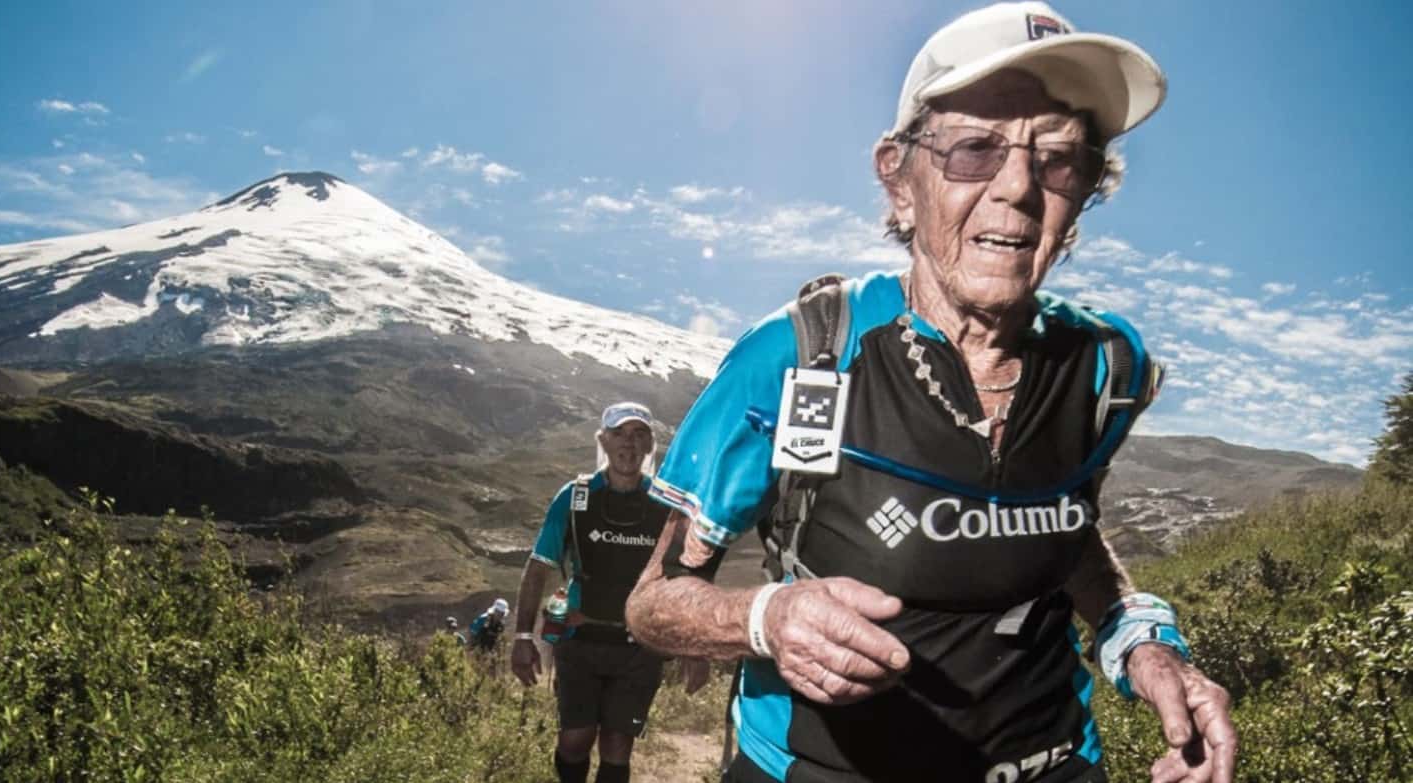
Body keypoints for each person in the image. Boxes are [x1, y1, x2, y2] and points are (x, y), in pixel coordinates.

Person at [625, 4, 1237, 782]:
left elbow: (1063, 530)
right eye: (975, 149)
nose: (1018, 186)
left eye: (1058, 157)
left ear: (1083, 195)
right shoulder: (799, 355)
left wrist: (1142, 642)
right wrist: (765, 618)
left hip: (1053, 764)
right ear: (900, 178)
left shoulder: (1105, 366)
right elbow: (654, 600)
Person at [511, 402, 709, 783]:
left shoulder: (667, 503)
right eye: (619, 434)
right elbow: (539, 566)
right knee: (575, 738)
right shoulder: (574, 497)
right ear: (602, 440)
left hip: (640, 646)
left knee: (618, 744)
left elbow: (688, 575)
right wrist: (522, 636)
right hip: (578, 640)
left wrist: (695, 646)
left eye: (638, 435)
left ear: (651, 445)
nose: (628, 444)